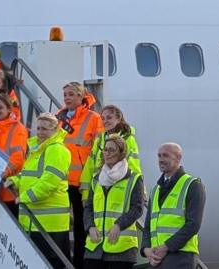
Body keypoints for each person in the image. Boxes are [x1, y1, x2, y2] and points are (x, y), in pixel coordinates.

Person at [8, 113, 71, 268]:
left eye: (45, 129)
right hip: (36, 220)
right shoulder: (39, 149)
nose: (40, 132)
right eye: (38, 128)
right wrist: (15, 180)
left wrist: (25, 197)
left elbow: (49, 182)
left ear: (55, 130)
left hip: (50, 223)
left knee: (52, 263)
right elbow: (29, 174)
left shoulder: (57, 150)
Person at [56, 81, 104, 269]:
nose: (67, 98)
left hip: (81, 182)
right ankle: (63, 260)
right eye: (65, 94)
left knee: (80, 226)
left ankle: (79, 263)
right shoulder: (59, 117)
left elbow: (98, 147)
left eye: (70, 94)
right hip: (61, 179)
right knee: (60, 223)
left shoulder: (93, 118)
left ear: (80, 97)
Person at [141, 143, 206, 269]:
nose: (160, 159)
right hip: (157, 259)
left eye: (165, 155)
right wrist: (146, 250)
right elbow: (148, 227)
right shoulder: (155, 190)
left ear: (178, 158)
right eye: (159, 156)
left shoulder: (193, 185)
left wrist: (166, 247)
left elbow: (193, 224)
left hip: (181, 257)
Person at [83, 134, 144, 269]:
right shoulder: (96, 178)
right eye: (105, 149)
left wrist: (118, 225)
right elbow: (88, 208)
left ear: (122, 153)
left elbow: (137, 208)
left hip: (121, 248)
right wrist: (90, 227)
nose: (107, 153)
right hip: (95, 246)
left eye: (112, 150)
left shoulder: (134, 178)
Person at [80, 105, 142, 202]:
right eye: (103, 118)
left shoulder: (128, 139)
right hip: (99, 187)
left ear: (118, 119)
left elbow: (133, 166)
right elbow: (90, 166)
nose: (105, 121)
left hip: (120, 187)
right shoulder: (100, 140)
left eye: (109, 118)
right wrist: (85, 194)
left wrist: (140, 190)